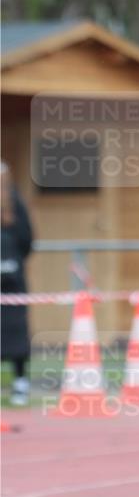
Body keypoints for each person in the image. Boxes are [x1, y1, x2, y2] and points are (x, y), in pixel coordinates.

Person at [1, 161, 34, 406]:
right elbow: (27, 240)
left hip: (12, 278)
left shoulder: (14, 203)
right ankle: (20, 382)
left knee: (15, 329)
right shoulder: (15, 202)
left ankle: (21, 382)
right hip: (14, 277)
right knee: (17, 329)